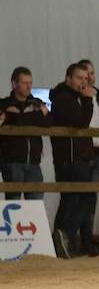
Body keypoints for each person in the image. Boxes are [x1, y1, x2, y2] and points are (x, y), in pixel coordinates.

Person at [50, 63, 97, 258]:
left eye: (86, 79)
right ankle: (63, 234)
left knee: (76, 198)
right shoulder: (63, 98)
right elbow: (81, 123)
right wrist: (88, 101)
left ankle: (62, 236)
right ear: (68, 78)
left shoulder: (73, 97)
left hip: (79, 156)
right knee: (77, 198)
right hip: (70, 158)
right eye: (79, 78)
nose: (83, 83)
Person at [0, 67, 51, 200]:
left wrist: (16, 117)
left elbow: (48, 121)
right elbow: (18, 121)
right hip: (12, 162)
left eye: (30, 83)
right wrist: (38, 115)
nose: (29, 86)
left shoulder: (37, 103)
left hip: (34, 162)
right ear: (14, 84)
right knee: (13, 202)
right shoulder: (3, 104)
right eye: (25, 83)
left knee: (36, 203)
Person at [77, 59, 99, 257]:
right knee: (80, 197)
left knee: (91, 198)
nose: (90, 77)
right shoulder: (77, 97)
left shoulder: (98, 96)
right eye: (86, 74)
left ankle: (87, 238)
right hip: (83, 152)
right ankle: (80, 238)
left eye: (92, 73)